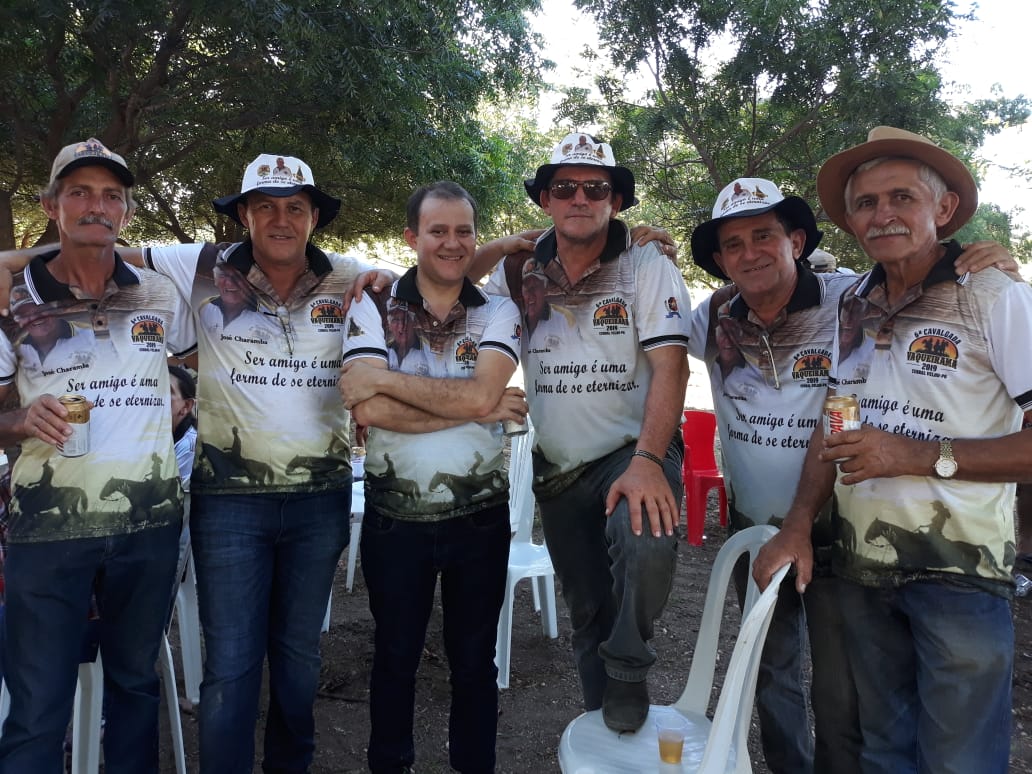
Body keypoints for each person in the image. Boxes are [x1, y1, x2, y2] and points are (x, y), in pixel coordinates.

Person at [754, 126, 1032, 774]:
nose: (883, 214)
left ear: (944, 208)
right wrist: (797, 525)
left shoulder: (996, 296)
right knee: (884, 752)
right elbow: (835, 421)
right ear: (851, 222)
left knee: (960, 760)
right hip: (864, 568)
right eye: (866, 203)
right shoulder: (853, 302)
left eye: (902, 197)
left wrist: (918, 455)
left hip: (960, 574)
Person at [480, 132, 692, 733]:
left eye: (596, 188)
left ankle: (628, 666)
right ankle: (605, 729)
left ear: (615, 201)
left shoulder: (645, 263)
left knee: (645, 536)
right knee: (586, 609)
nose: (580, 198)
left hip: (631, 449)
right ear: (545, 198)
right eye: (565, 187)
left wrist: (648, 460)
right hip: (558, 465)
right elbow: (449, 296)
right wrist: (495, 246)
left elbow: (672, 365)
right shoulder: (517, 268)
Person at [0, 138, 194, 773]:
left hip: (149, 527)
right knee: (38, 705)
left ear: (126, 213)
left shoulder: (160, 293)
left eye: (111, 196)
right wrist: (20, 419)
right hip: (48, 531)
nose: (97, 206)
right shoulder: (12, 299)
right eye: (79, 192)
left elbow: (206, 353)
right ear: (51, 205)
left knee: (135, 688)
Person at [339, 181, 527, 773]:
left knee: (474, 663)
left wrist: (386, 379)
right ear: (411, 237)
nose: (452, 243)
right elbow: (369, 410)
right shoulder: (372, 305)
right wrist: (477, 406)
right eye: (437, 230)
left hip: (480, 519)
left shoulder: (498, 309)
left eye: (463, 231)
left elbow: (478, 393)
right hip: (395, 520)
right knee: (394, 657)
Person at [687, 176, 861, 774]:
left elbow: (931, 291)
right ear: (720, 261)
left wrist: (974, 261)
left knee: (841, 680)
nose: (750, 253)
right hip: (754, 526)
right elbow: (638, 333)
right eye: (733, 244)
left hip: (840, 526)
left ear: (797, 241)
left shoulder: (850, 300)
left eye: (764, 236)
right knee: (768, 665)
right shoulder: (713, 315)